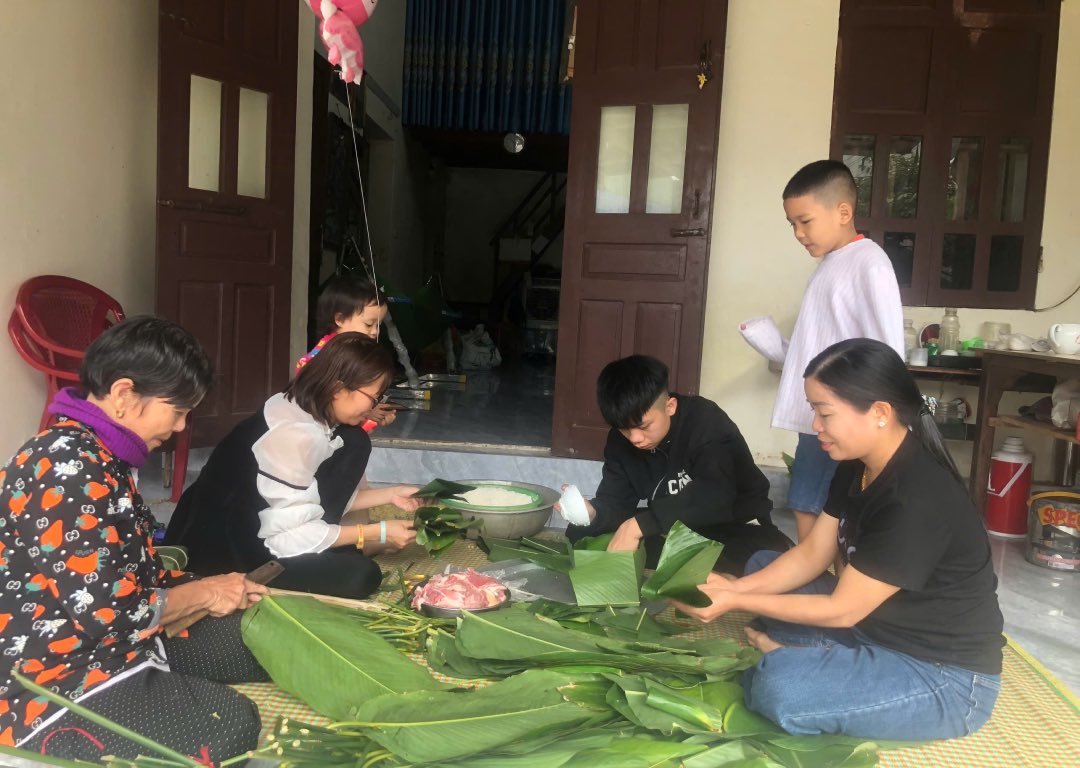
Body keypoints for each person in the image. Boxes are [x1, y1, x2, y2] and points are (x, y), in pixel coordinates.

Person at [672, 339, 1004, 741]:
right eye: (814, 410)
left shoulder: (916, 496)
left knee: (779, 689)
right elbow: (813, 553)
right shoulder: (859, 464)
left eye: (823, 412)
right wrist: (738, 587)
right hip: (874, 626)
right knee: (761, 565)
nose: (815, 426)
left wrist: (737, 600)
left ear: (880, 412)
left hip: (940, 674)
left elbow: (843, 609)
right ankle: (822, 660)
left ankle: (804, 660)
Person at [0, 317, 269, 762]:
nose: (182, 427)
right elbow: (111, 616)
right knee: (229, 725)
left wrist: (213, 587)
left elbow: (132, 569)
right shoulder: (65, 465)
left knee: (259, 635)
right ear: (124, 394)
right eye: (177, 410)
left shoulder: (104, 454)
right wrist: (203, 592)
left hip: (133, 633)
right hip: (53, 672)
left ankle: (161, 677)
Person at [166, 333, 419, 599]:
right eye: (374, 397)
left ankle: (334, 545)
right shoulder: (293, 435)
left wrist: (391, 494)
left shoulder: (307, 410)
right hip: (226, 550)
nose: (374, 407)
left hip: (261, 524)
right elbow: (287, 536)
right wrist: (372, 533)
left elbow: (314, 497)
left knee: (354, 442)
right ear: (338, 388)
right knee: (362, 575)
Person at [562, 355, 792, 575]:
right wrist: (593, 513)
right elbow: (616, 501)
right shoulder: (620, 442)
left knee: (759, 558)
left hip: (731, 524)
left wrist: (638, 526)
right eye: (624, 429)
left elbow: (716, 497)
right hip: (673, 526)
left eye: (644, 426)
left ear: (670, 406)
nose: (635, 438)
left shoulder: (706, 421)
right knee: (580, 532)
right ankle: (677, 561)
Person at [773, 160, 904, 543]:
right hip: (819, 412)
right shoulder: (833, 263)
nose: (798, 233)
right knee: (806, 502)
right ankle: (814, 576)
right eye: (792, 224)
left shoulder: (869, 263)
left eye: (805, 221)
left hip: (842, 412)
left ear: (843, 212)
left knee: (828, 506)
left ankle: (828, 582)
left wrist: (884, 414)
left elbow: (886, 345)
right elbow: (824, 339)